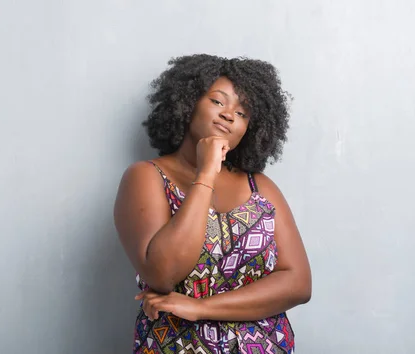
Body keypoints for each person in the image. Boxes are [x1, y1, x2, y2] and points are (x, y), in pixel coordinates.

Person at [114, 54, 311, 354]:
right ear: (188, 103)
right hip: (176, 345)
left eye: (243, 113)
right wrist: (206, 173)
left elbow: (298, 284)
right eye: (218, 102)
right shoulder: (146, 177)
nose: (230, 115)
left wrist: (202, 307)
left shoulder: (261, 188)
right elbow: (163, 273)